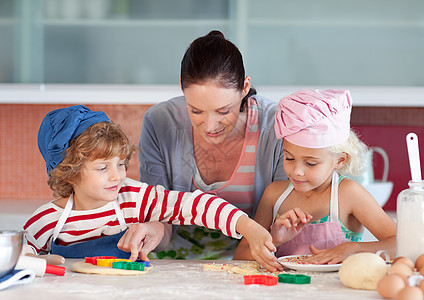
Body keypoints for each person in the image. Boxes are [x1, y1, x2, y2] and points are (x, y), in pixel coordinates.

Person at [23, 105, 281, 271]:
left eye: (121, 164)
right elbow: (19, 257)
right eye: (103, 168)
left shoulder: (133, 199)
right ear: (68, 174)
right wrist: (33, 261)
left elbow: (196, 204)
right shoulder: (47, 220)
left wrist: (249, 227)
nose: (117, 176)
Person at [139, 30, 287, 260]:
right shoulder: (159, 123)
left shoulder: (275, 127)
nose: (210, 125)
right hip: (173, 263)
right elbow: (158, 209)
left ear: (245, 87)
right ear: (181, 86)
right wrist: (153, 229)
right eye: (196, 110)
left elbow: (280, 219)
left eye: (223, 111)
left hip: (250, 259)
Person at [234, 89, 396, 264]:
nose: (297, 171)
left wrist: (354, 250)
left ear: (340, 160)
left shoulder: (349, 194)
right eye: (289, 158)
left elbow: (403, 244)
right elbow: (240, 256)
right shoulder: (274, 195)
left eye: (310, 163)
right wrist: (274, 240)